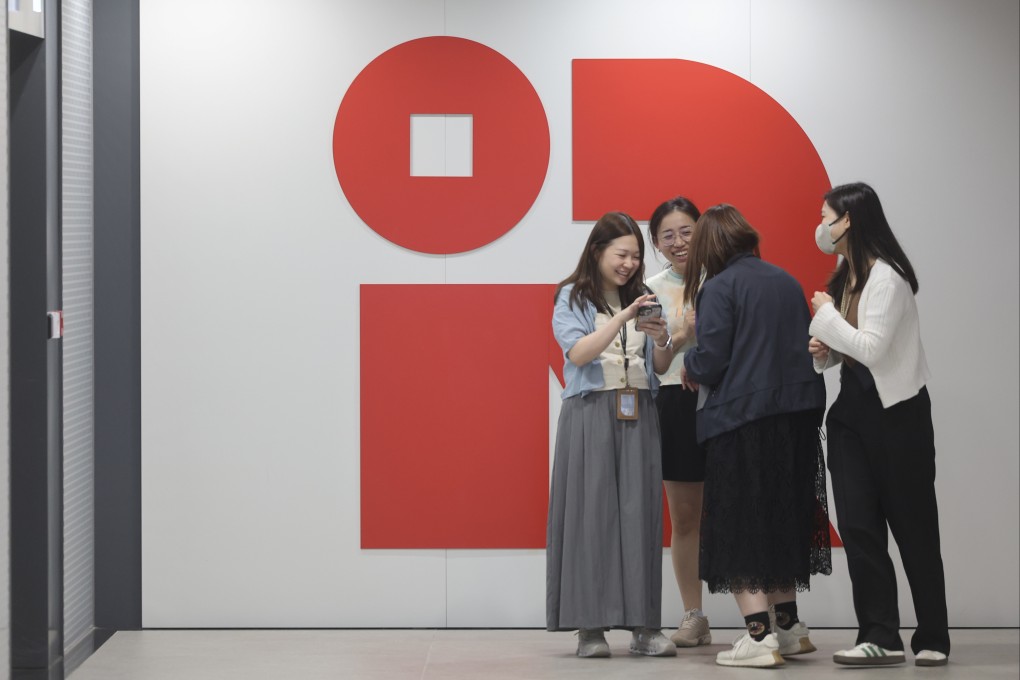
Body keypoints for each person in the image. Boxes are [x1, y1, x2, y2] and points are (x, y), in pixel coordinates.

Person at [681, 204, 831, 668]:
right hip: (798, 416)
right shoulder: (785, 280)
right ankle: (789, 628)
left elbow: (712, 360)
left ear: (709, 245)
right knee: (784, 515)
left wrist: (689, 362)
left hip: (742, 419)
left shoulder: (718, 287)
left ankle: (758, 636)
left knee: (741, 523)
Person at [808, 182, 950, 667]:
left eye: (826, 216)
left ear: (848, 219)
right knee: (859, 529)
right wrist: (825, 354)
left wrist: (826, 319)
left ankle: (933, 635)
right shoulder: (846, 273)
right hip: (851, 415)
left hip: (898, 415)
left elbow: (871, 349)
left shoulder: (886, 277)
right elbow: (853, 353)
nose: (821, 227)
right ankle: (880, 635)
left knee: (914, 529)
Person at [547, 212, 676, 658]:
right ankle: (591, 628)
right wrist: (623, 317)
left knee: (642, 519)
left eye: (636, 256)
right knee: (591, 517)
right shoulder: (571, 297)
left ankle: (645, 627)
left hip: (638, 409)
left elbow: (658, 366)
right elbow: (580, 352)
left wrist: (662, 340)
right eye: (621, 254)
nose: (628, 263)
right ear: (597, 250)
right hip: (589, 412)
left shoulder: (645, 295)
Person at [644, 196, 711, 648]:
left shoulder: (726, 278)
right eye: (667, 235)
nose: (678, 242)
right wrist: (681, 337)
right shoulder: (649, 289)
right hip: (675, 405)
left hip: (726, 403)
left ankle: (768, 615)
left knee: (741, 509)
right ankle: (694, 616)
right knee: (685, 519)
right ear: (656, 243)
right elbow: (657, 361)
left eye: (686, 231)